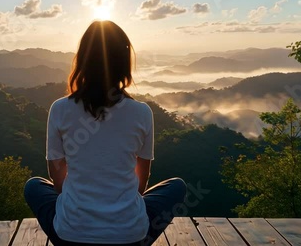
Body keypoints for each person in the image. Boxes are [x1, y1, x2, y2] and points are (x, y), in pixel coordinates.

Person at [24, 20, 187, 245]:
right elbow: (142, 179)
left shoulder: (59, 109)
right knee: (176, 186)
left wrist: (82, 209)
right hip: (131, 238)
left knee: (34, 186)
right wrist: (119, 212)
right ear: (124, 64)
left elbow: (57, 178)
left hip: (71, 237)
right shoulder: (142, 112)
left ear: (82, 60)